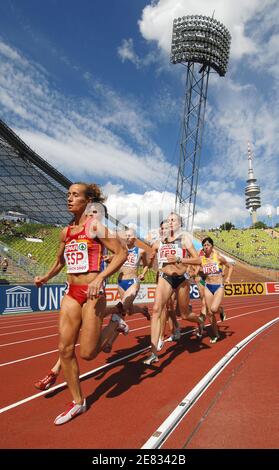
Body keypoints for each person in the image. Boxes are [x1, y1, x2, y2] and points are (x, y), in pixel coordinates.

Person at [34, 183, 127, 425]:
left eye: (75, 195)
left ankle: (114, 324)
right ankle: (78, 402)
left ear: (88, 201)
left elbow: (121, 254)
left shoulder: (94, 226)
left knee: (87, 353)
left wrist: (100, 278)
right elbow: (59, 262)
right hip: (71, 292)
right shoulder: (66, 232)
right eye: (68, 195)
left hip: (93, 293)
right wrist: (45, 277)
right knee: (65, 350)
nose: (69, 198)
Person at [143, 212, 205, 365]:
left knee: (184, 314)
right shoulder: (158, 243)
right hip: (165, 277)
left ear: (179, 224)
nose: (170, 222)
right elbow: (149, 262)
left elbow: (198, 260)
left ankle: (199, 321)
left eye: (173, 220)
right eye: (168, 220)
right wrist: (149, 259)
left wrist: (180, 259)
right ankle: (153, 353)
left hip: (181, 279)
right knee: (157, 309)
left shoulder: (184, 239)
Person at [101, 227, 151, 353]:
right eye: (126, 235)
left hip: (133, 282)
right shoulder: (120, 250)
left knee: (121, 308)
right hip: (120, 282)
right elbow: (115, 259)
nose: (127, 237)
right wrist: (109, 258)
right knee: (126, 311)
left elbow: (146, 264)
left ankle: (110, 342)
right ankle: (143, 310)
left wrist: (143, 273)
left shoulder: (141, 251)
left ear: (134, 238)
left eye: (129, 235)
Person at [177, 236, 233, 343]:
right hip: (208, 286)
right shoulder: (201, 259)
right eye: (204, 245)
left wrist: (228, 277)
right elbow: (190, 260)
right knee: (210, 313)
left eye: (208, 245)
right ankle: (216, 335)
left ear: (212, 246)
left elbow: (230, 266)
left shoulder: (218, 257)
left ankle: (221, 310)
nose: (206, 247)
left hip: (218, 286)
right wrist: (179, 259)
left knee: (214, 309)